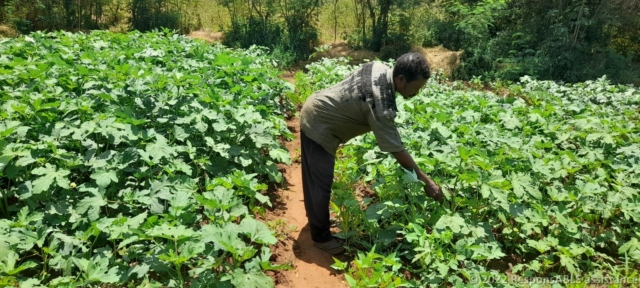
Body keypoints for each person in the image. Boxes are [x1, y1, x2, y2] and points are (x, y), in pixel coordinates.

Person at [299, 52, 444, 255]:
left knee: (318, 179)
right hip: (318, 122)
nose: (416, 93)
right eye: (416, 88)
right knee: (320, 182)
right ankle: (320, 236)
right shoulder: (380, 103)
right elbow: (396, 148)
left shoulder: (380, 68)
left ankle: (317, 218)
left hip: (320, 107)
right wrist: (426, 181)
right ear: (401, 79)